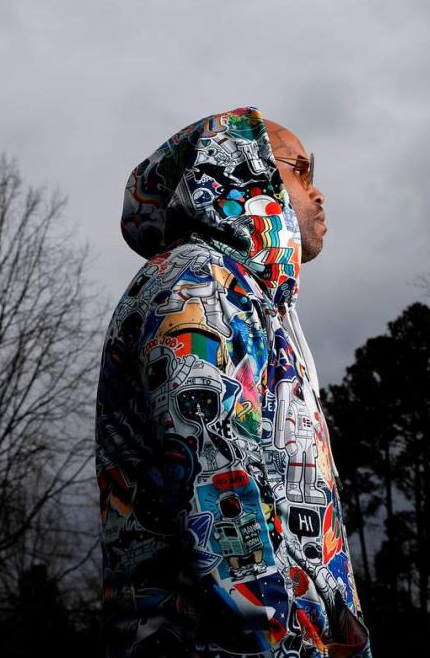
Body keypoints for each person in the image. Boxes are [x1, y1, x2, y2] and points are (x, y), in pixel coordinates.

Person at [96, 106, 372, 657]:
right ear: (245, 171)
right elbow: (218, 494)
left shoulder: (249, 299)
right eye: (301, 171)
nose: (320, 196)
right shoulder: (197, 287)